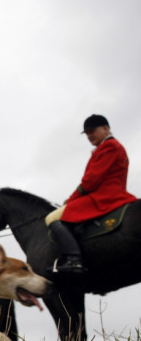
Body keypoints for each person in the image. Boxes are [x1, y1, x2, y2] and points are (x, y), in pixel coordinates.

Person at [45, 114, 137, 274]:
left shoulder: (110, 146)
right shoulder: (109, 147)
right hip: (106, 193)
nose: (89, 135)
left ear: (106, 129)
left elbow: (90, 181)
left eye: (92, 131)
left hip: (105, 196)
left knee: (51, 218)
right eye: (87, 133)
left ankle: (74, 259)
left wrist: (72, 199)